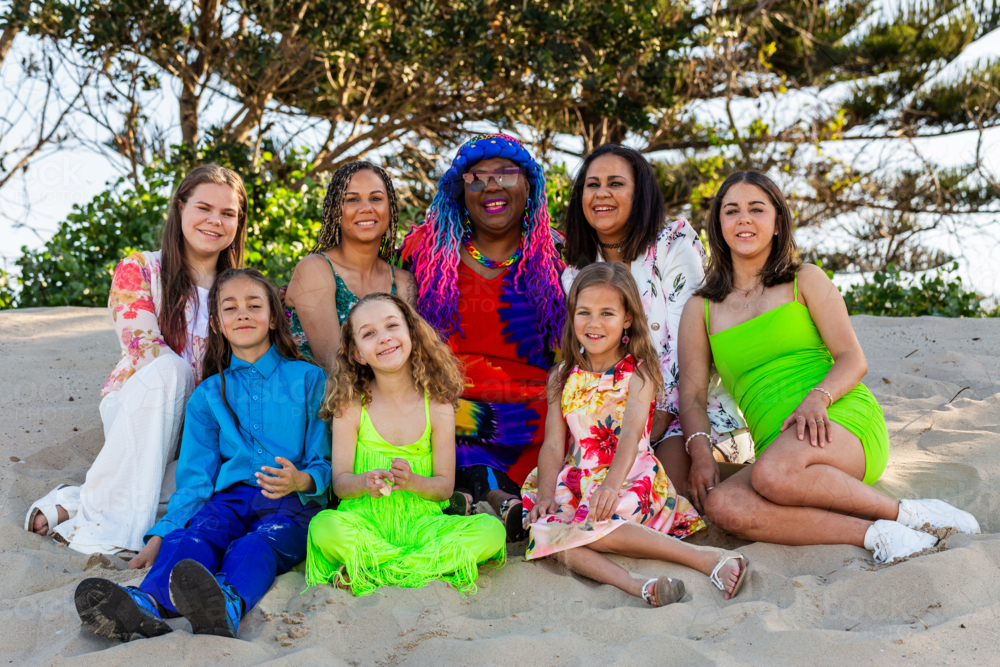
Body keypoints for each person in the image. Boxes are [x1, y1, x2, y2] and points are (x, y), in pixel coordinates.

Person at [679, 170, 981, 563]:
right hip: (779, 448)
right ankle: (875, 534)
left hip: (836, 417)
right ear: (718, 225)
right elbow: (693, 394)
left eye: (757, 209)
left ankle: (911, 514)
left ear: (777, 222)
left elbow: (853, 358)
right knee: (723, 506)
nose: (744, 220)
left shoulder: (805, 279)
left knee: (772, 475)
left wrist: (816, 400)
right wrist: (702, 455)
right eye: (731, 211)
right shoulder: (700, 307)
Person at [74, 268, 330, 641]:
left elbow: (324, 459)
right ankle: (143, 602)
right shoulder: (209, 394)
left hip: (290, 503)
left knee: (257, 544)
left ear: (273, 317)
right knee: (194, 538)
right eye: (230, 308)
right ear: (217, 323)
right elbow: (195, 480)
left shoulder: (310, 380)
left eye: (254, 305)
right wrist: (162, 533)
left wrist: (301, 480)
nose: (242, 313)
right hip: (229, 500)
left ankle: (226, 602)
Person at [25, 164, 248, 555]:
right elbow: (145, 348)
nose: (215, 220)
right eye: (204, 208)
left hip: (201, 426)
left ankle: (80, 499)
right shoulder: (141, 268)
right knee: (171, 369)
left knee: (221, 484)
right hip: (142, 405)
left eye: (228, 214)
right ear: (180, 209)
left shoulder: (239, 290)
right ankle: (110, 535)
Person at [522, 263, 748, 606]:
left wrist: (611, 487)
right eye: (584, 312)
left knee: (591, 523)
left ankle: (706, 559)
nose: (594, 323)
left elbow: (629, 437)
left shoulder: (638, 373)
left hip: (630, 478)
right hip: (578, 480)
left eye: (607, 313)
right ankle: (637, 585)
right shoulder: (562, 376)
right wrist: (546, 493)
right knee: (540, 530)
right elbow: (554, 444)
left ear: (627, 318)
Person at [398, 133, 565, 538]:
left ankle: (479, 502)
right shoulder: (425, 250)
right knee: (450, 420)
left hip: (531, 411)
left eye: (506, 175)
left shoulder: (555, 254)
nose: (491, 186)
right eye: (477, 177)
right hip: (446, 399)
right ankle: (497, 502)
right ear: (460, 190)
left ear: (529, 187)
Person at [561, 145, 752, 496]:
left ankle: (752, 478)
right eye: (592, 185)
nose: (601, 193)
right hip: (616, 423)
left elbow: (690, 342)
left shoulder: (673, 243)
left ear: (640, 194)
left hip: (690, 411)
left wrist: (656, 416)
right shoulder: (575, 276)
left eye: (615, 183)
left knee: (663, 490)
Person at [305, 293, 505, 596]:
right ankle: (416, 567)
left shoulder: (437, 406)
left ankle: (378, 567)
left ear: (411, 332)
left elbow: (443, 488)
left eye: (391, 326)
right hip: (365, 523)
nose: (383, 338)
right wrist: (364, 481)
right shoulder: (351, 406)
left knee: (492, 531)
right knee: (323, 527)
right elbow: (341, 484)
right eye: (369, 334)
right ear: (358, 354)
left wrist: (412, 481)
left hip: (423, 527)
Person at [285, 160, 417, 371]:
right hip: (319, 401)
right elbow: (335, 368)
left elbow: (412, 359)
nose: (366, 208)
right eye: (352, 200)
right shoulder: (316, 269)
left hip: (389, 399)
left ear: (390, 209)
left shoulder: (402, 281)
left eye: (375, 198)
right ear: (334, 212)